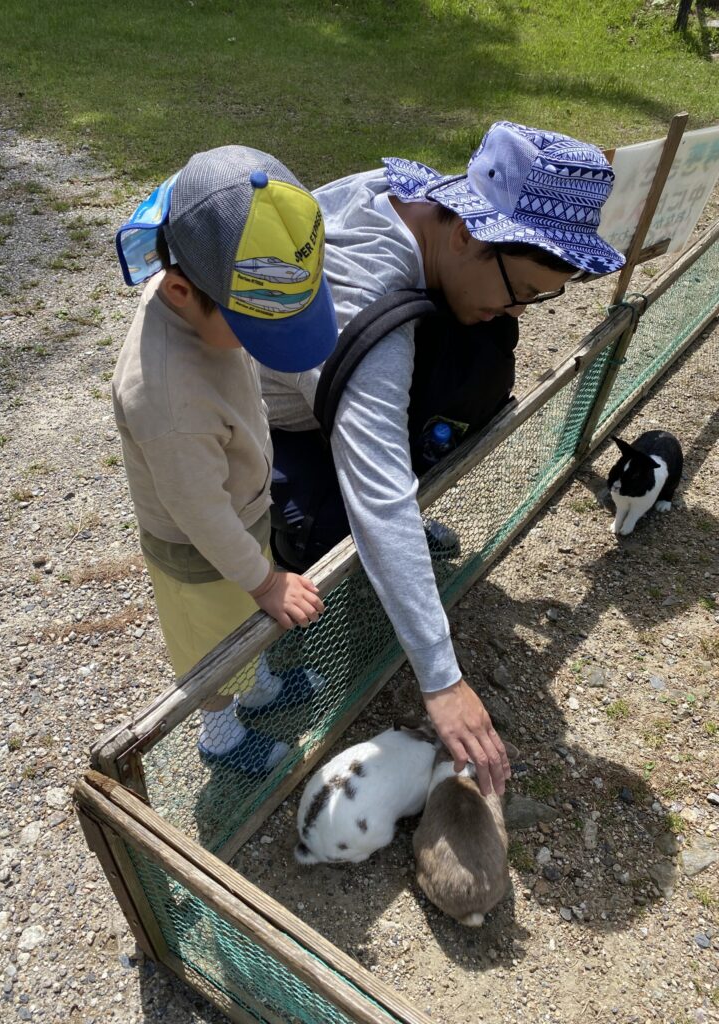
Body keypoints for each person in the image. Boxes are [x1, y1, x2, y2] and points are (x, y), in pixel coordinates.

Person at [261, 121, 626, 795]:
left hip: (338, 391)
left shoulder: (424, 203)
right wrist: (441, 676)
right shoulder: (367, 307)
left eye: (542, 299)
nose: (520, 309)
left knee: (473, 358)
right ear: (467, 233)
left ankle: (385, 548)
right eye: (522, 290)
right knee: (350, 520)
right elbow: (381, 496)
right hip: (272, 423)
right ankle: (292, 550)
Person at [111, 146, 338, 776]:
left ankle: (259, 682)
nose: (262, 346)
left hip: (243, 514)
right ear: (182, 290)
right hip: (199, 547)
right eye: (254, 328)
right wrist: (266, 583)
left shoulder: (206, 293)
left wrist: (258, 580)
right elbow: (198, 508)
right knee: (209, 641)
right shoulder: (166, 398)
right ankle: (219, 730)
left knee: (244, 612)